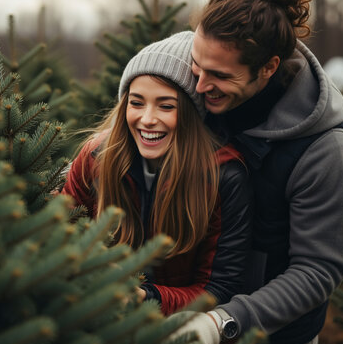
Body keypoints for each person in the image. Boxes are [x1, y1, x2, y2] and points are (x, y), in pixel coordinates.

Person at [172, 0, 343, 344]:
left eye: (221, 77)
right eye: (196, 65)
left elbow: (317, 270)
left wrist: (223, 322)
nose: (198, 85)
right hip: (180, 311)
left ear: (268, 68)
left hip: (268, 342)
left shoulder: (325, 147)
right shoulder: (199, 88)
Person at [61, 31, 253, 316]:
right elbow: (59, 231)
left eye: (166, 106)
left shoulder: (223, 177)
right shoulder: (96, 157)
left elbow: (218, 288)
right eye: (136, 103)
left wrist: (147, 298)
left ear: (191, 114)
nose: (148, 119)